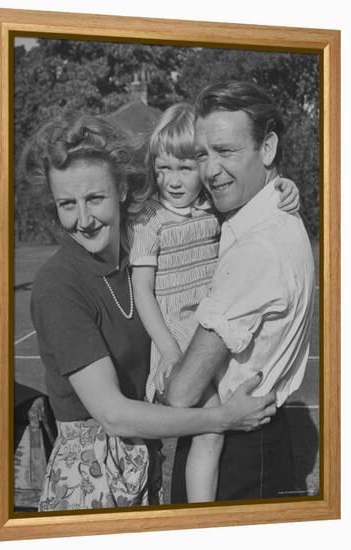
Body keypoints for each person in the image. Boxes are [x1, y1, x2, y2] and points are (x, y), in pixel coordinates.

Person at [21, 111, 277, 512]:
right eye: (66, 204)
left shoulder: (141, 260)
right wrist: (223, 418)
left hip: (146, 467)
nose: (83, 220)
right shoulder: (59, 286)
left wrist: (281, 189)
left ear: (122, 188)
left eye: (95, 198)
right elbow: (115, 416)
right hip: (91, 482)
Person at [127, 103, 300, 503]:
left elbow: (257, 202)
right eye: (162, 168)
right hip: (176, 337)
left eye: (185, 168)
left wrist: (285, 186)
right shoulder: (148, 222)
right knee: (209, 429)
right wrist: (170, 350)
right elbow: (143, 292)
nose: (172, 180)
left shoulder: (212, 209)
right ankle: (200, 516)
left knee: (211, 428)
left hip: (214, 328)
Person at [164, 81, 315, 503]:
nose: (210, 170)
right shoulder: (274, 219)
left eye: (226, 151)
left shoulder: (258, 246)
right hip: (259, 439)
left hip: (236, 452)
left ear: (267, 148)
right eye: (202, 154)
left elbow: (181, 394)